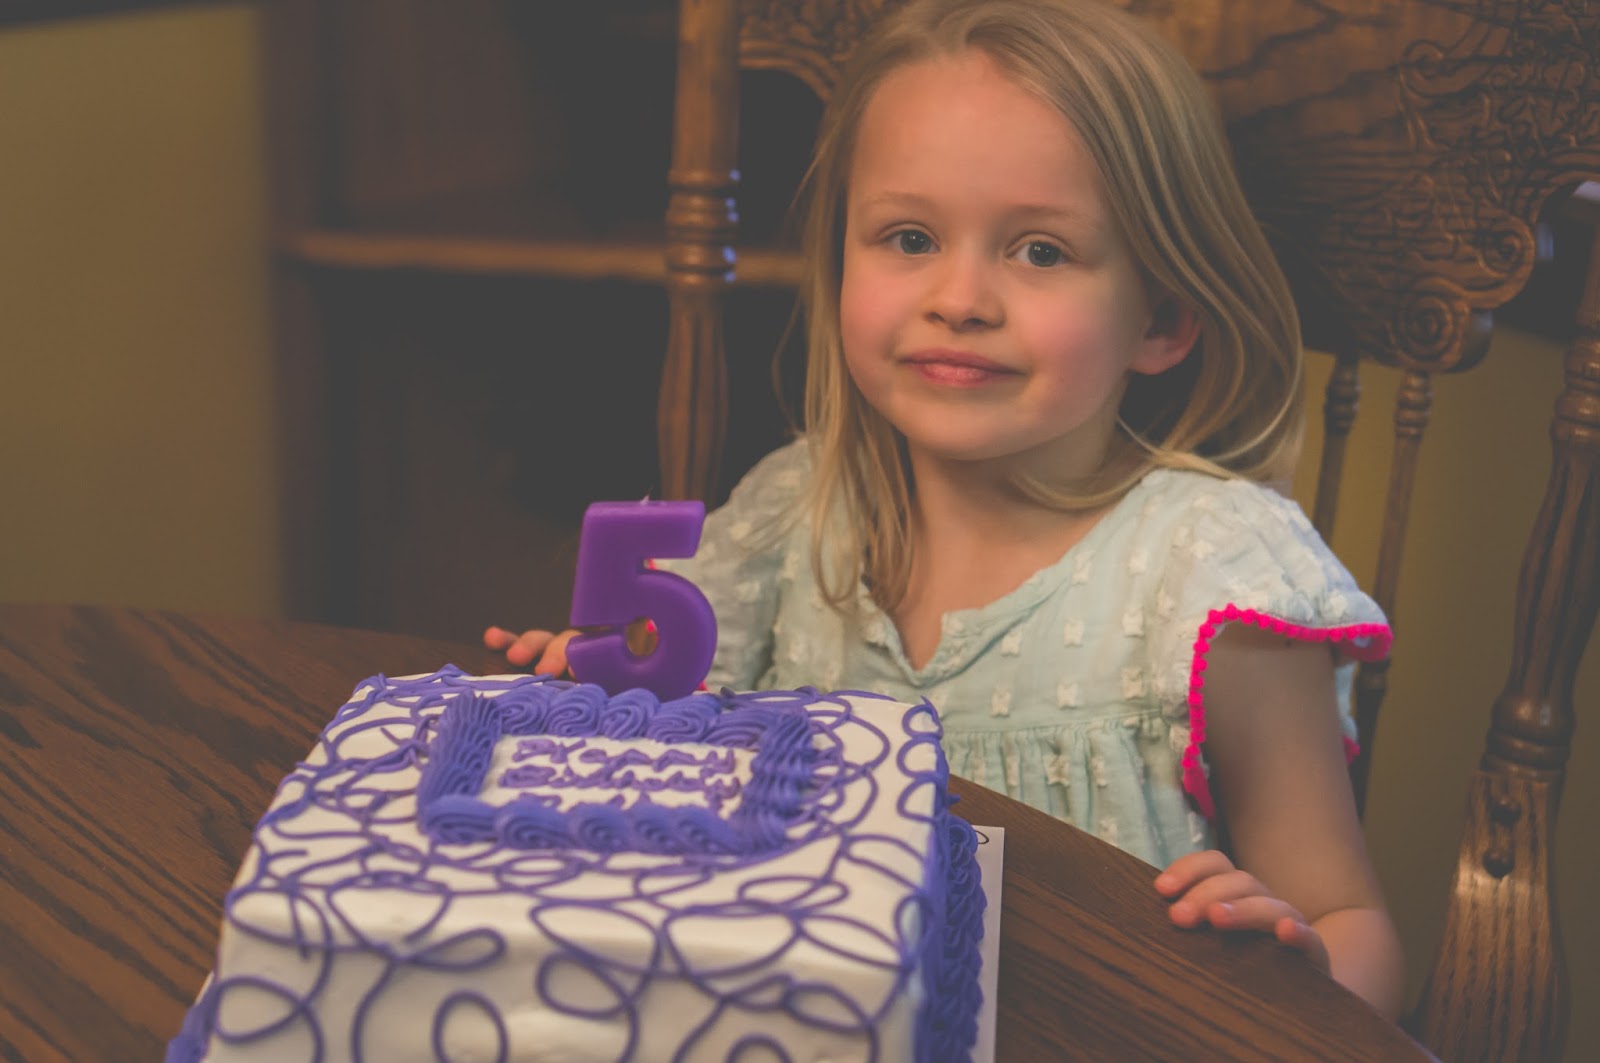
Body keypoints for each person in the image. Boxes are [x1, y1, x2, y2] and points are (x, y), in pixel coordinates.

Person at [485, 0, 1403, 1018]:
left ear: (1162, 316)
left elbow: (1352, 921)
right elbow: (677, 757)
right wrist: (601, 697)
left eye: (1041, 251)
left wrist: (1301, 970)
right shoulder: (792, 514)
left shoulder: (1213, 576)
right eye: (910, 237)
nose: (959, 298)